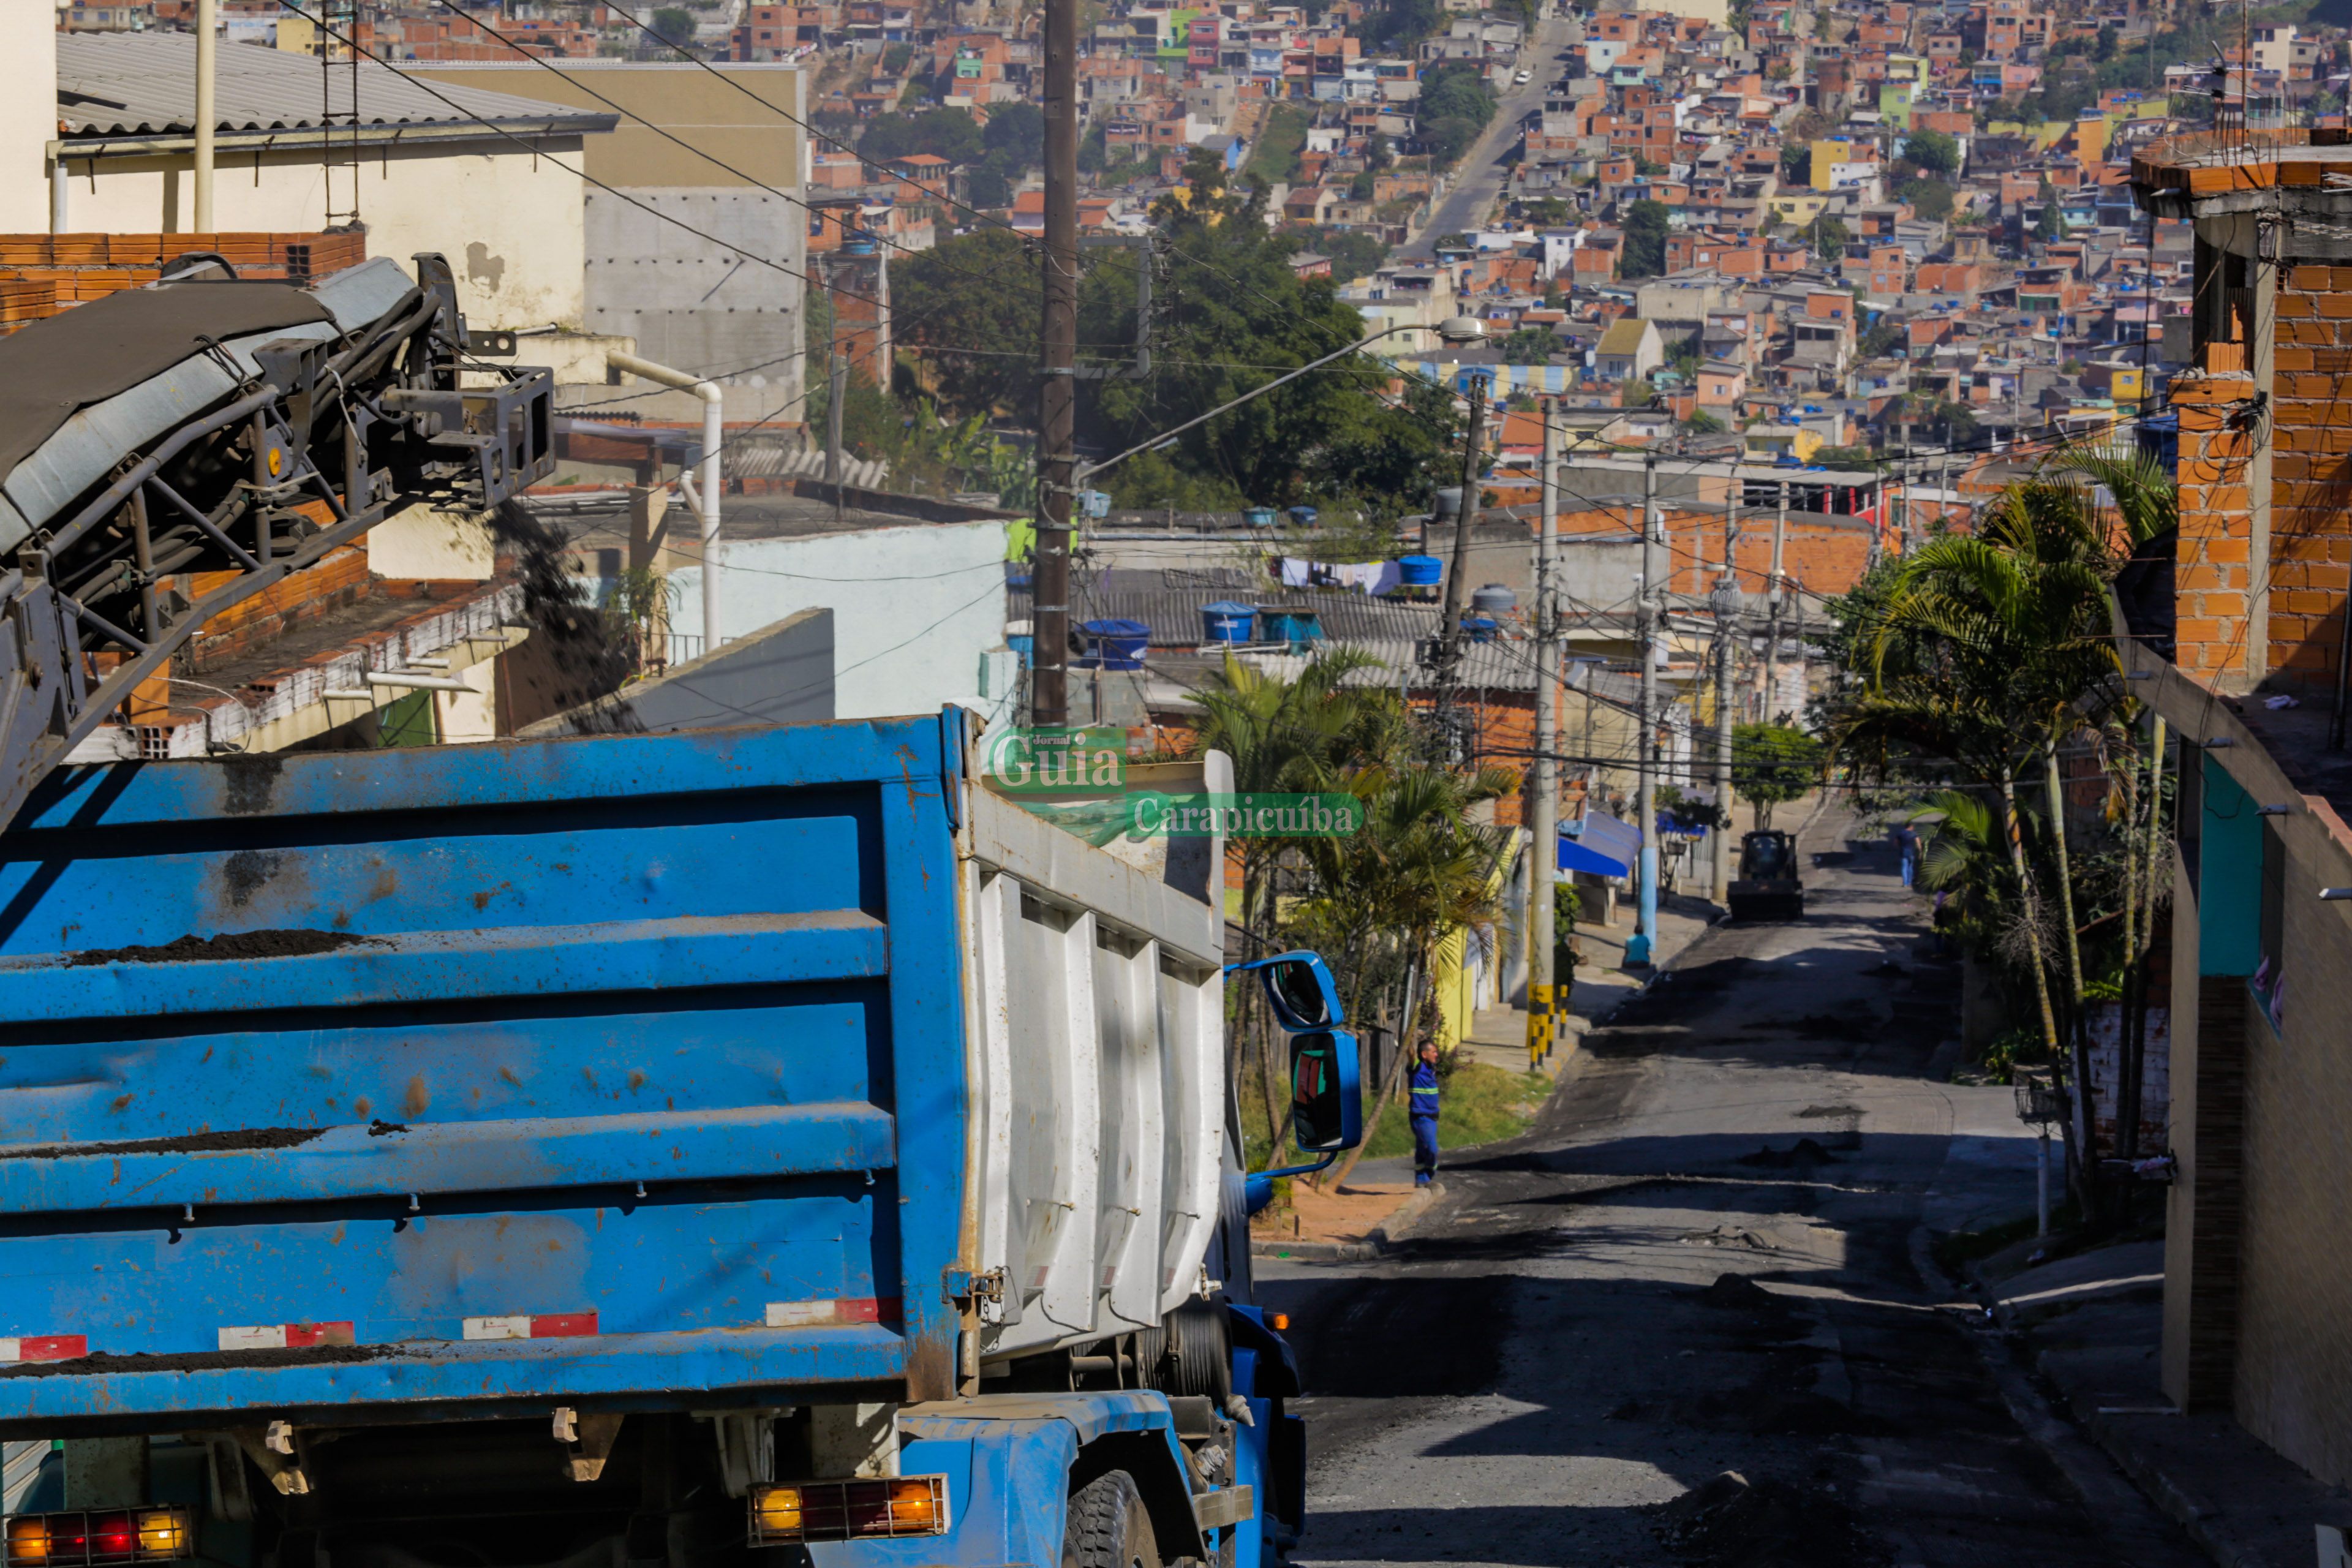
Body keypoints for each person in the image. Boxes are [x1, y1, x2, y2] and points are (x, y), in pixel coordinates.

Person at [1409, 1039, 1441, 1187]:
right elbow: (1410, 1056)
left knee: (1423, 1148)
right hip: (1421, 1117)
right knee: (1431, 1148)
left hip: (1432, 1117)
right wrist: (1409, 1043)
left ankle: (1421, 1179)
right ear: (1424, 1054)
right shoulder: (1417, 1068)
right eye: (1433, 1052)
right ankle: (1429, 1173)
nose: (1437, 1054)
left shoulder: (1431, 1068)